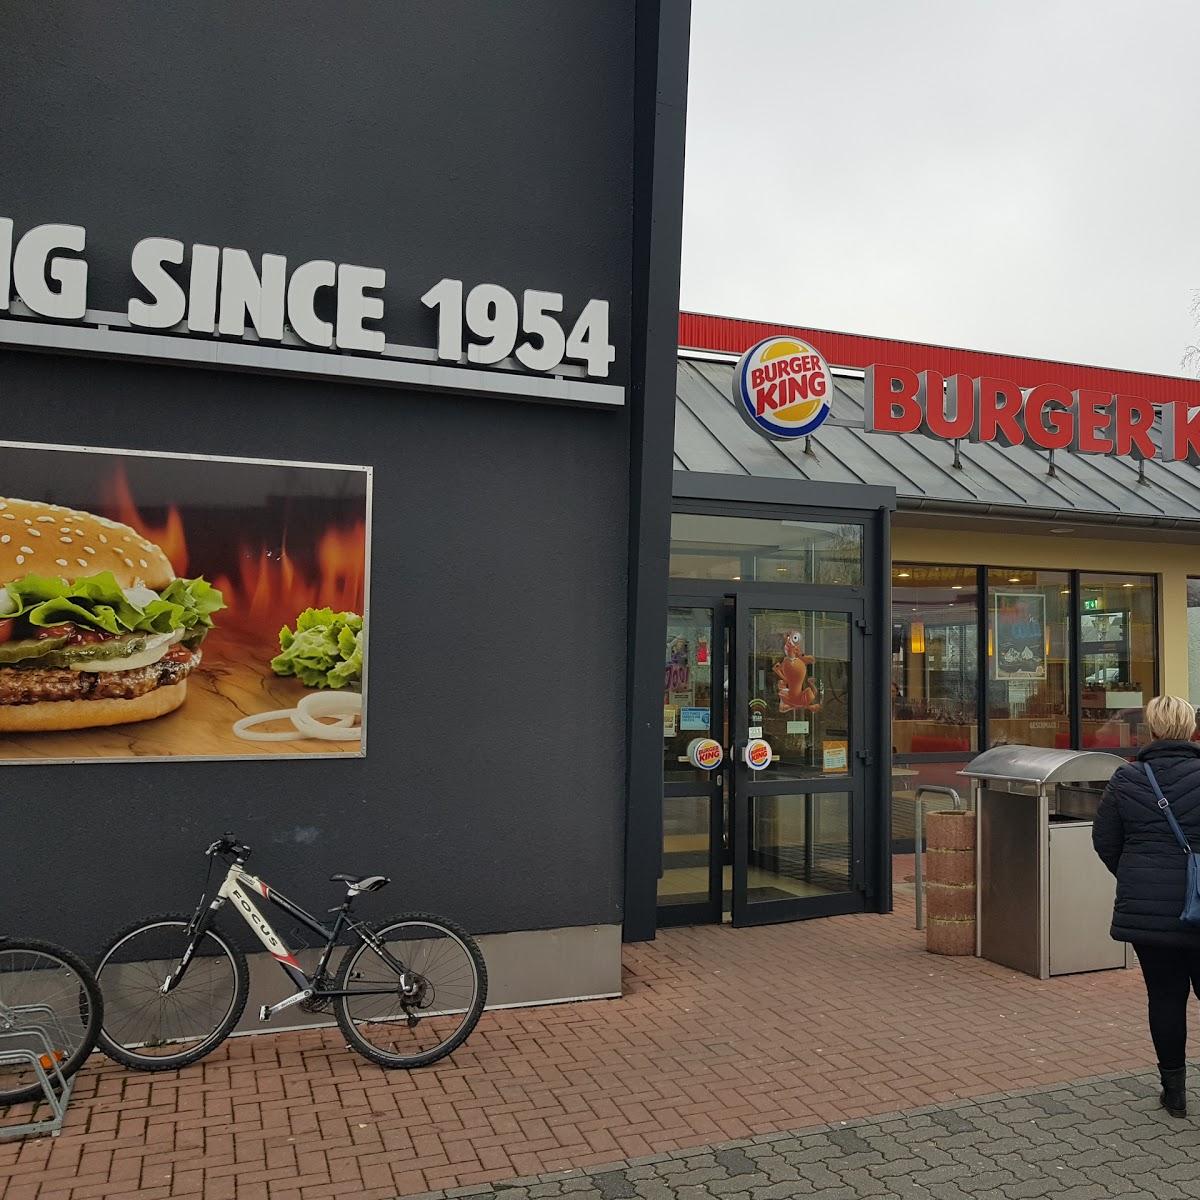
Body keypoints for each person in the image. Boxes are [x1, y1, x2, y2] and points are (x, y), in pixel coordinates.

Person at [1093, 695, 1200, 1118]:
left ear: (1151, 730)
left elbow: (1105, 841)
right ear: (1191, 729)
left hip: (1149, 912)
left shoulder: (1128, 779)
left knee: (1166, 997)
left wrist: (1137, 878)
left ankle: (1173, 1092)